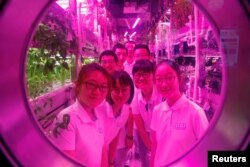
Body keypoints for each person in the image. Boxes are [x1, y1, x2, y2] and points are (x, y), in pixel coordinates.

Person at [150, 60, 209, 166]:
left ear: (179, 79)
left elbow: (206, 150)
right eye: (158, 79)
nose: (164, 84)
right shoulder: (157, 111)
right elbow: (155, 146)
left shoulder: (195, 113)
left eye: (169, 78)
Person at [51, 63, 110, 167]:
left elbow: (102, 150)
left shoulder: (98, 115)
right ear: (78, 85)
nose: (97, 92)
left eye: (103, 87)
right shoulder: (66, 119)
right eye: (91, 84)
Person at [131, 60, 163, 167]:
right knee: (145, 161)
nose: (141, 78)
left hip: (161, 131)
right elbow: (139, 126)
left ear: (153, 75)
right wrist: (150, 146)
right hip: (143, 131)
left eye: (145, 74)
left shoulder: (161, 92)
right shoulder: (135, 96)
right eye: (138, 75)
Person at [105, 70, 134, 167]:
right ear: (109, 90)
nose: (120, 94)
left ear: (131, 90)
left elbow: (115, 137)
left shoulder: (125, 109)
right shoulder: (101, 109)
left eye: (124, 89)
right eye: (116, 90)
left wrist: (111, 162)